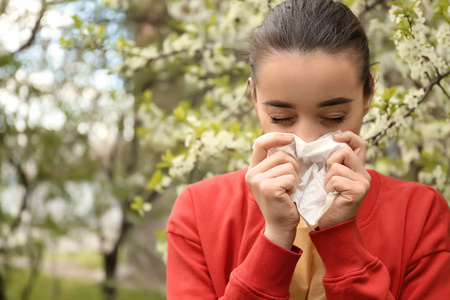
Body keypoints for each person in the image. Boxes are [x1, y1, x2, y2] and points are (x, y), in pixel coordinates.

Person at [166, 0, 450, 299]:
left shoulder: (419, 214)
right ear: (254, 97)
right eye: (281, 119)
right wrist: (274, 239)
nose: (307, 140)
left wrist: (343, 239)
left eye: (333, 118)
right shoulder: (199, 212)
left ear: (368, 94)